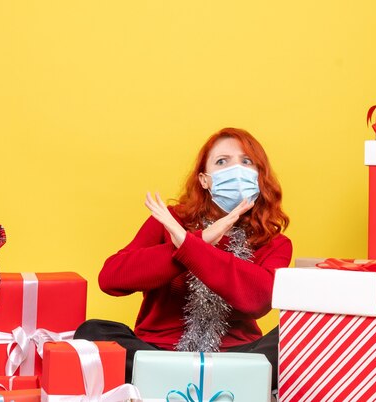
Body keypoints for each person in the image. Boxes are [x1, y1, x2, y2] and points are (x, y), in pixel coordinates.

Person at [75, 127, 292, 389]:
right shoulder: (172, 221)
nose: (236, 169)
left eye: (247, 162)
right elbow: (111, 278)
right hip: (158, 352)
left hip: (237, 356)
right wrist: (203, 237)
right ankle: (217, 386)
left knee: (297, 338)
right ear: (204, 179)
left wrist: (190, 245)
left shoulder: (274, 242)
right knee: (93, 333)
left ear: (258, 177)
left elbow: (257, 300)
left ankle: (176, 384)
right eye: (222, 162)